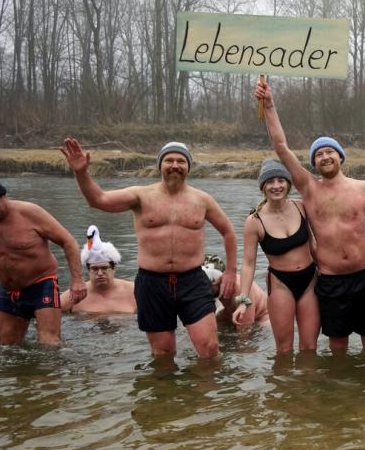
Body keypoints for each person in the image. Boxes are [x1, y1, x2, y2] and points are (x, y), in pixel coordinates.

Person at [59, 139, 237, 359]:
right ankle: (169, 393)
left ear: (188, 167)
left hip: (192, 280)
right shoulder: (140, 196)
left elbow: (228, 231)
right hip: (152, 283)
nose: (175, 165)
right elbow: (98, 200)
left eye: (181, 161)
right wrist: (81, 173)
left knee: (210, 349)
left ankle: (205, 393)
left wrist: (230, 272)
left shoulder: (202, 200)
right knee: (163, 354)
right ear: (159, 165)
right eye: (169, 160)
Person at [256, 81, 365, 353]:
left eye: (330, 151)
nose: (325, 156)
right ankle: (338, 394)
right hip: (331, 280)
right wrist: (270, 105)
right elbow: (281, 148)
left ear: (341, 157)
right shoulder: (309, 188)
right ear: (314, 163)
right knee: (337, 346)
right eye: (319, 154)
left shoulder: (363, 188)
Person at [0, 174, 86, 347]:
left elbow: (68, 242)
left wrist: (77, 280)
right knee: (7, 346)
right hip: (9, 291)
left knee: (50, 344)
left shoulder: (31, 212)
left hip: (41, 284)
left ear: (3, 196)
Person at [233, 159, 319, 352]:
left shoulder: (302, 207)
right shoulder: (254, 221)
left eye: (281, 180)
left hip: (310, 281)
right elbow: (248, 263)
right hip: (280, 284)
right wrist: (243, 301)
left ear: (288, 183)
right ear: (263, 187)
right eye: (270, 181)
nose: (276, 186)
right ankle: (284, 382)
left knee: (309, 346)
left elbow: (316, 244)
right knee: (284, 348)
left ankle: (308, 382)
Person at [60, 225, 136, 314]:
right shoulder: (75, 295)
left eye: (104, 268)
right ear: (88, 270)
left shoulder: (133, 291)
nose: (100, 273)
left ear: (113, 269)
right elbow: (50, 312)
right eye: (95, 269)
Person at [202, 256, 269, 329]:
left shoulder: (239, 288)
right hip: (230, 311)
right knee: (207, 325)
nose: (202, 288)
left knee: (258, 328)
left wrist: (239, 339)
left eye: (207, 282)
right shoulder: (213, 289)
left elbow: (245, 325)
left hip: (263, 315)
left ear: (219, 280)